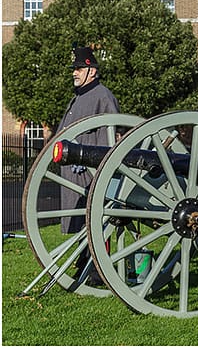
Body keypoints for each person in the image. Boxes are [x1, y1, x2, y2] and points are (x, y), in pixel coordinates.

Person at [56, 46, 119, 283]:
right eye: (74, 68)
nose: (75, 72)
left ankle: (97, 270)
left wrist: (100, 166)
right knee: (82, 220)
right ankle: (84, 263)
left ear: (92, 71)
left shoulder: (102, 95)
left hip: (90, 171)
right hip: (73, 172)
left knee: (95, 219)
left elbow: (111, 134)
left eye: (79, 68)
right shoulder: (79, 97)